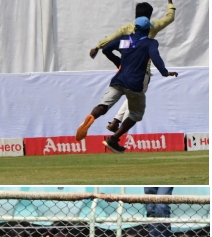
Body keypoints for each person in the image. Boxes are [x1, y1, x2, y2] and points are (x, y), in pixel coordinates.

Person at [76, 17, 179, 153]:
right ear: (147, 29)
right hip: (134, 84)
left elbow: (106, 49)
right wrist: (165, 72)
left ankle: (91, 117)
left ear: (135, 28)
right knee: (136, 114)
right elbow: (155, 57)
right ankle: (113, 140)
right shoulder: (150, 43)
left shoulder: (125, 41)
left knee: (103, 105)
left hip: (118, 80)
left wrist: (119, 62)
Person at [89, 0, 176, 132]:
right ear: (149, 18)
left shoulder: (126, 29)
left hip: (124, 69)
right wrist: (169, 0)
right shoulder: (151, 28)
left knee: (121, 96)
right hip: (142, 71)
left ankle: (105, 119)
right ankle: (116, 124)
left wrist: (98, 47)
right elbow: (169, 18)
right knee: (136, 98)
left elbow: (111, 41)